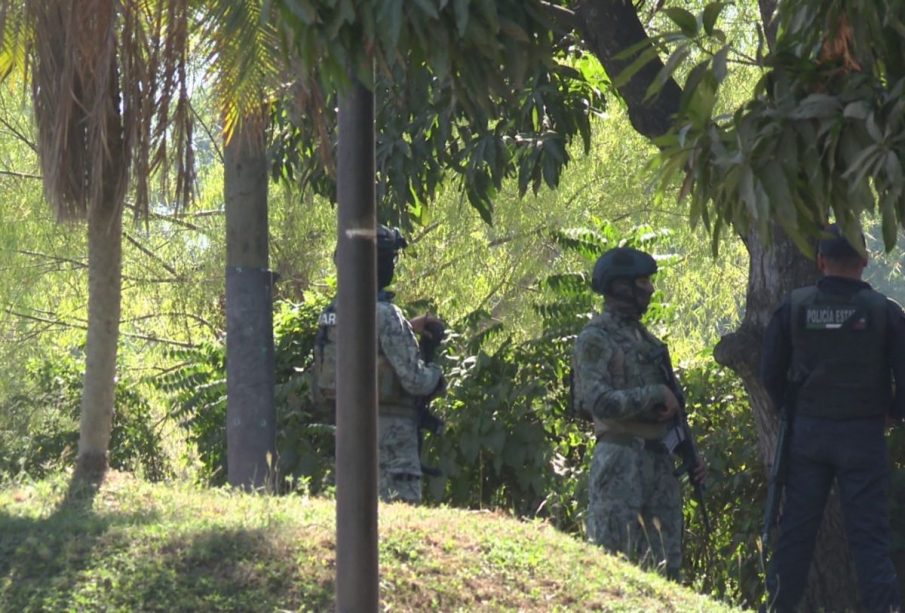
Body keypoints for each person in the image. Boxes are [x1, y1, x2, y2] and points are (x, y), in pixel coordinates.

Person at [760, 223, 905, 612]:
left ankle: (778, 606)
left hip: (808, 434)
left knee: (795, 535)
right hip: (863, 434)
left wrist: (787, 408)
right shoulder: (885, 312)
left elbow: (770, 370)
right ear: (865, 260)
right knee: (870, 539)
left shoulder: (794, 306)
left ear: (820, 261)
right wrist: (891, 413)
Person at [571, 246, 705, 580]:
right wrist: (653, 394)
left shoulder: (647, 341)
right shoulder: (596, 337)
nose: (650, 289)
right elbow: (597, 401)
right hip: (619, 459)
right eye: (642, 281)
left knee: (664, 571)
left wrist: (690, 454)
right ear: (621, 286)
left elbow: (673, 409)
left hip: (659, 460)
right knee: (609, 565)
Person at [313, 225, 445, 504]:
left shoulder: (331, 313)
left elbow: (364, 350)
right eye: (389, 259)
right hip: (392, 445)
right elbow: (416, 381)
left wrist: (408, 327)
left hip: (349, 438)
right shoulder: (385, 314)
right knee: (398, 524)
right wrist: (435, 366)